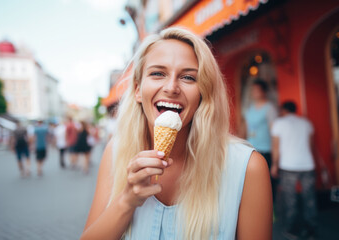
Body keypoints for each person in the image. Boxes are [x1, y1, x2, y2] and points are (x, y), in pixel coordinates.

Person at [81, 27, 272, 240]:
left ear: (203, 92)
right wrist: (126, 200)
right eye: (157, 73)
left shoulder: (248, 168)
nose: (171, 87)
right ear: (137, 89)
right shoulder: (116, 152)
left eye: (188, 77)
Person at [271, 101, 317, 239]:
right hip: (307, 164)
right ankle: (311, 230)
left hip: (288, 165)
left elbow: (276, 147)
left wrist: (274, 164)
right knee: (309, 199)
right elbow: (310, 145)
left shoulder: (279, 123)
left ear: (283, 110)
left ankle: (292, 230)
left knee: (290, 199)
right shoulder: (306, 123)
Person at [243, 79, 278, 202]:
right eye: (253, 90)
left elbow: (275, 134)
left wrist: (275, 161)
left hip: (266, 151)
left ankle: (271, 211)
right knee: (252, 183)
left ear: (264, 92)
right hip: (251, 150)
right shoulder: (250, 108)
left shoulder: (270, 108)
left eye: (257, 90)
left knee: (267, 184)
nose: (254, 92)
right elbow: (246, 130)